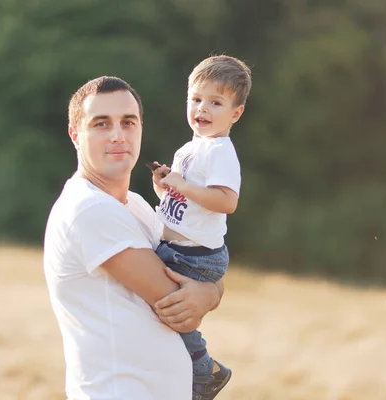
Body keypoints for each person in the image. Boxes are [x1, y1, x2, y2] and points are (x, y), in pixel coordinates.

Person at [42, 76, 225, 400]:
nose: (117, 135)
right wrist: (212, 291)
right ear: (75, 134)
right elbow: (176, 297)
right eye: (101, 124)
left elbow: (194, 278)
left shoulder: (135, 205)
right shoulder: (89, 209)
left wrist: (208, 290)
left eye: (128, 122)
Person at [147, 55, 252, 399]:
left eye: (215, 103)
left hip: (194, 254)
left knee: (168, 307)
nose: (202, 109)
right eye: (196, 99)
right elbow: (181, 202)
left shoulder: (220, 151)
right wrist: (164, 185)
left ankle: (205, 369)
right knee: (156, 303)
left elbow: (226, 201)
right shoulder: (189, 149)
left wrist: (185, 185)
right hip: (179, 246)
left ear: (235, 113)